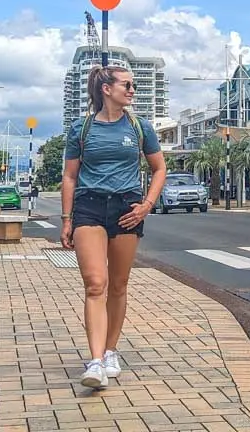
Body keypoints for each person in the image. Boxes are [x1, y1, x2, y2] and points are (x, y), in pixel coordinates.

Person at [62, 65, 165, 390]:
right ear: (106, 88)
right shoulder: (82, 128)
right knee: (95, 284)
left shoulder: (139, 127)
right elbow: (70, 176)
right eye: (127, 85)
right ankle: (95, 362)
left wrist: (146, 205)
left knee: (118, 285)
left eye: (133, 85)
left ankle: (109, 351)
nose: (132, 90)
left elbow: (159, 168)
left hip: (127, 209)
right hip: (89, 207)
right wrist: (66, 219)